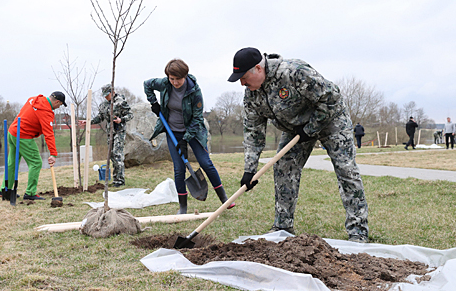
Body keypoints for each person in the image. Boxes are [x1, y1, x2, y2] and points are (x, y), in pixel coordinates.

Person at [228, 46, 368, 238]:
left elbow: (331, 98)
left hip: (330, 119)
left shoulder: (294, 72)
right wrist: (249, 170)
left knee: (346, 170)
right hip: (295, 129)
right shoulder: (252, 94)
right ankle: (283, 228)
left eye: (244, 77)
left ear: (258, 69)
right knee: (283, 167)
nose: (242, 83)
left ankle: (358, 231)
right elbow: (253, 132)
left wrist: (310, 129)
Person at [144, 58, 230, 213]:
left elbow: (197, 118)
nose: (175, 82)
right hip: (172, 130)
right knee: (179, 169)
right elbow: (147, 84)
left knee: (206, 163)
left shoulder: (194, 91)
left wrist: (186, 139)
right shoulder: (164, 83)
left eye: (178, 79)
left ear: (185, 76)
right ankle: (183, 207)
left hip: (194, 131)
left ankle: (224, 198)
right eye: (172, 79)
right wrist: (154, 103)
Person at [2, 90, 67, 205]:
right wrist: (53, 153)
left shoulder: (33, 99)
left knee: (12, 162)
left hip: (12, 131)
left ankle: (5, 190)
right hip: (23, 136)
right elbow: (49, 134)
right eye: (60, 105)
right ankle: (30, 193)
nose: (58, 107)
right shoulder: (46, 111)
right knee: (36, 162)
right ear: (57, 102)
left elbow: (24, 114)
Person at [92, 83, 134, 187]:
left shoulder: (120, 101)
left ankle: (120, 181)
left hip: (119, 131)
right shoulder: (104, 105)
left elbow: (130, 114)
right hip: (110, 133)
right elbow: (100, 117)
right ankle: (115, 179)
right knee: (111, 155)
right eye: (104, 95)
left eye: (108, 94)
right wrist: (89, 121)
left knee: (117, 154)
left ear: (113, 92)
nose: (106, 97)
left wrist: (121, 119)